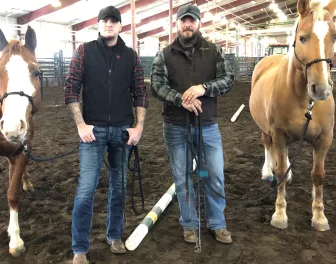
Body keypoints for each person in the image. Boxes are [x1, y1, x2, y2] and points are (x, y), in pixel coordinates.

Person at [64, 5, 148, 264]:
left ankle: (114, 235)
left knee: (119, 188)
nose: (109, 24)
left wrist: (138, 127)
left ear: (120, 26)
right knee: (86, 190)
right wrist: (80, 125)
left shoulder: (131, 56)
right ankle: (80, 248)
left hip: (122, 132)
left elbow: (140, 92)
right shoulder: (84, 52)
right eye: (104, 21)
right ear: (98, 25)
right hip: (93, 132)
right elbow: (71, 88)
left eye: (114, 21)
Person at [150, 3, 235, 245]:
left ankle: (217, 223)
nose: (187, 24)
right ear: (177, 24)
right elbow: (156, 85)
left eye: (192, 20)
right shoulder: (164, 54)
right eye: (183, 20)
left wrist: (204, 88)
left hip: (207, 125)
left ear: (198, 23)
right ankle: (189, 224)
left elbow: (229, 79)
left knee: (215, 175)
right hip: (175, 126)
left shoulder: (214, 51)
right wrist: (181, 100)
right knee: (183, 177)